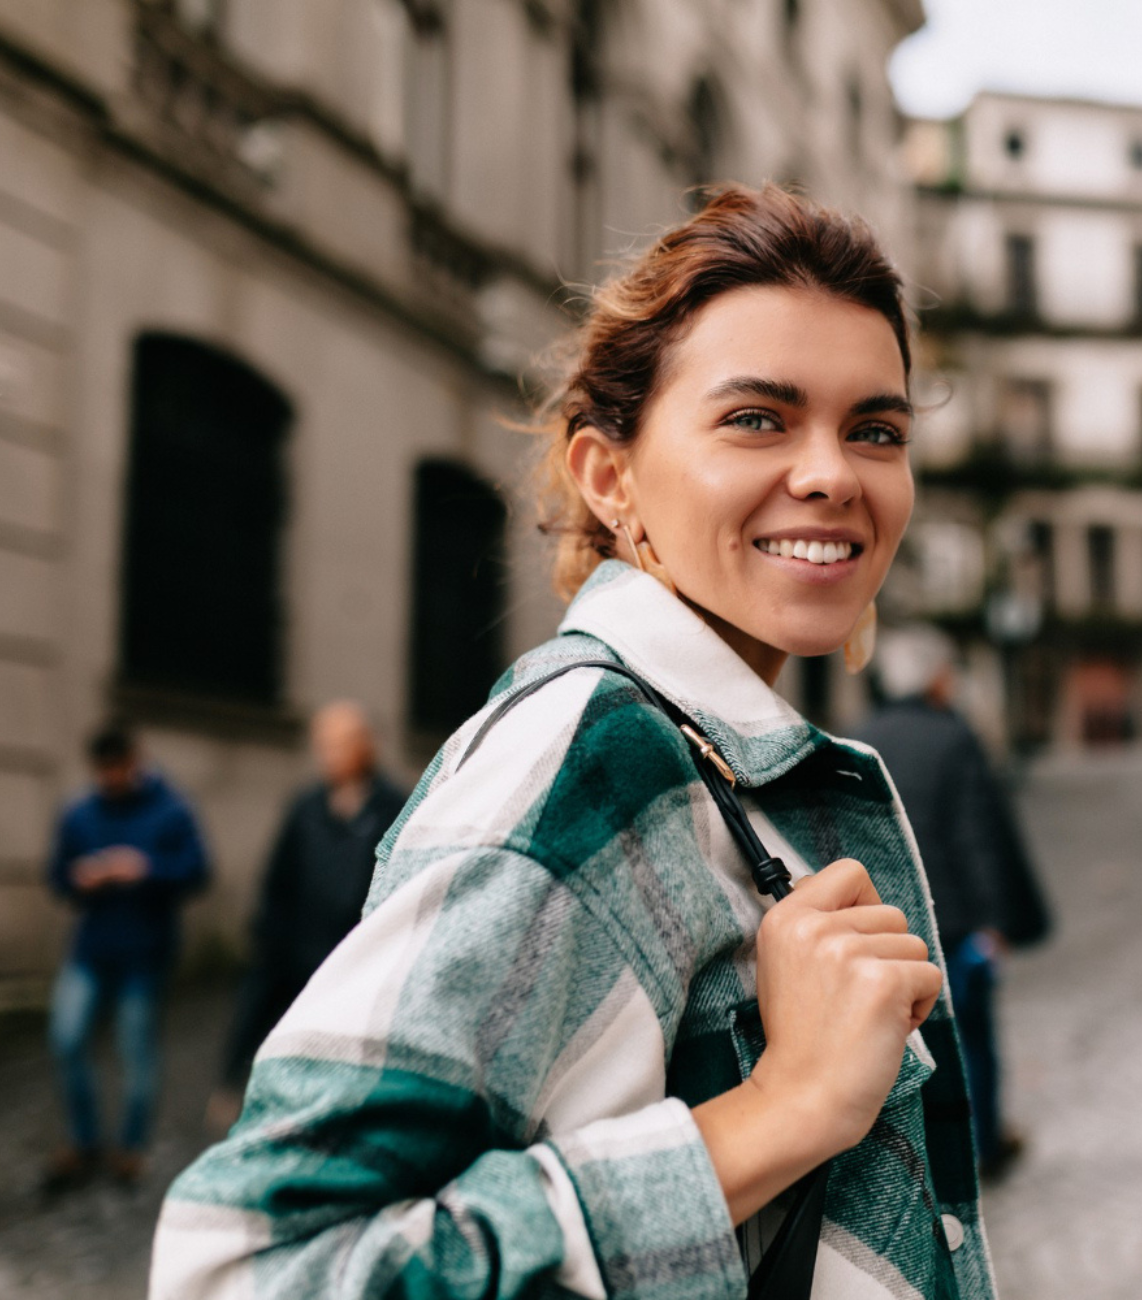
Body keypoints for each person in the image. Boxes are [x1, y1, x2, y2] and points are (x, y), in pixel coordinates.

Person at [152, 184, 998, 1300]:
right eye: (758, 418)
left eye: (874, 429)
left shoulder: (724, 762)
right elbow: (248, 1268)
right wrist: (777, 1111)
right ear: (612, 476)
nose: (834, 474)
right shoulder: (592, 756)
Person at [855, 626, 1051, 1181]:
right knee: (973, 1041)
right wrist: (995, 923)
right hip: (957, 924)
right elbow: (978, 837)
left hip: (887, 924)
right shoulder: (953, 737)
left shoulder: (859, 737)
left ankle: (919, 1154)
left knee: (900, 1043)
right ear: (936, 680)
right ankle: (981, 1144)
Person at [206, 701, 406, 1132]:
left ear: (364, 747)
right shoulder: (307, 807)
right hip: (296, 949)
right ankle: (237, 1090)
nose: (328, 756)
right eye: (323, 746)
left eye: (338, 745)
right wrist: (269, 936)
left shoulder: (393, 807)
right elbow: (279, 876)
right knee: (263, 1019)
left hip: (355, 958)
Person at [43, 723, 210, 1192]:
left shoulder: (171, 809)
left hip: (145, 954)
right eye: (102, 771)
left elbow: (198, 870)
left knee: (136, 1051)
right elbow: (56, 876)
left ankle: (130, 1148)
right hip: (91, 949)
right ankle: (84, 1139)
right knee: (67, 1039)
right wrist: (80, 877)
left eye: (116, 769)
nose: (109, 779)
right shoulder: (80, 813)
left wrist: (147, 868)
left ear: (133, 762)